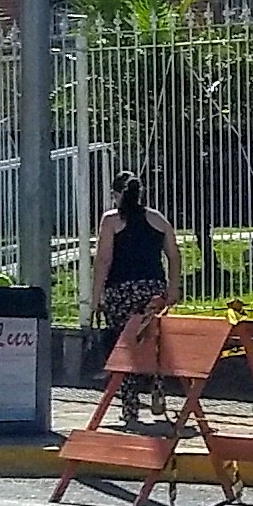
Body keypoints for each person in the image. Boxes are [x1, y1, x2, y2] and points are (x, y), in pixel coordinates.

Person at [87, 174, 173, 418]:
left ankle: (130, 406)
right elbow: (174, 255)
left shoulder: (112, 220)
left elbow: (103, 260)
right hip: (153, 290)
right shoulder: (157, 219)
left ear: (116, 195)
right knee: (153, 341)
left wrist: (96, 298)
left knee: (124, 346)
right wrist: (173, 288)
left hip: (121, 291)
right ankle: (158, 390)